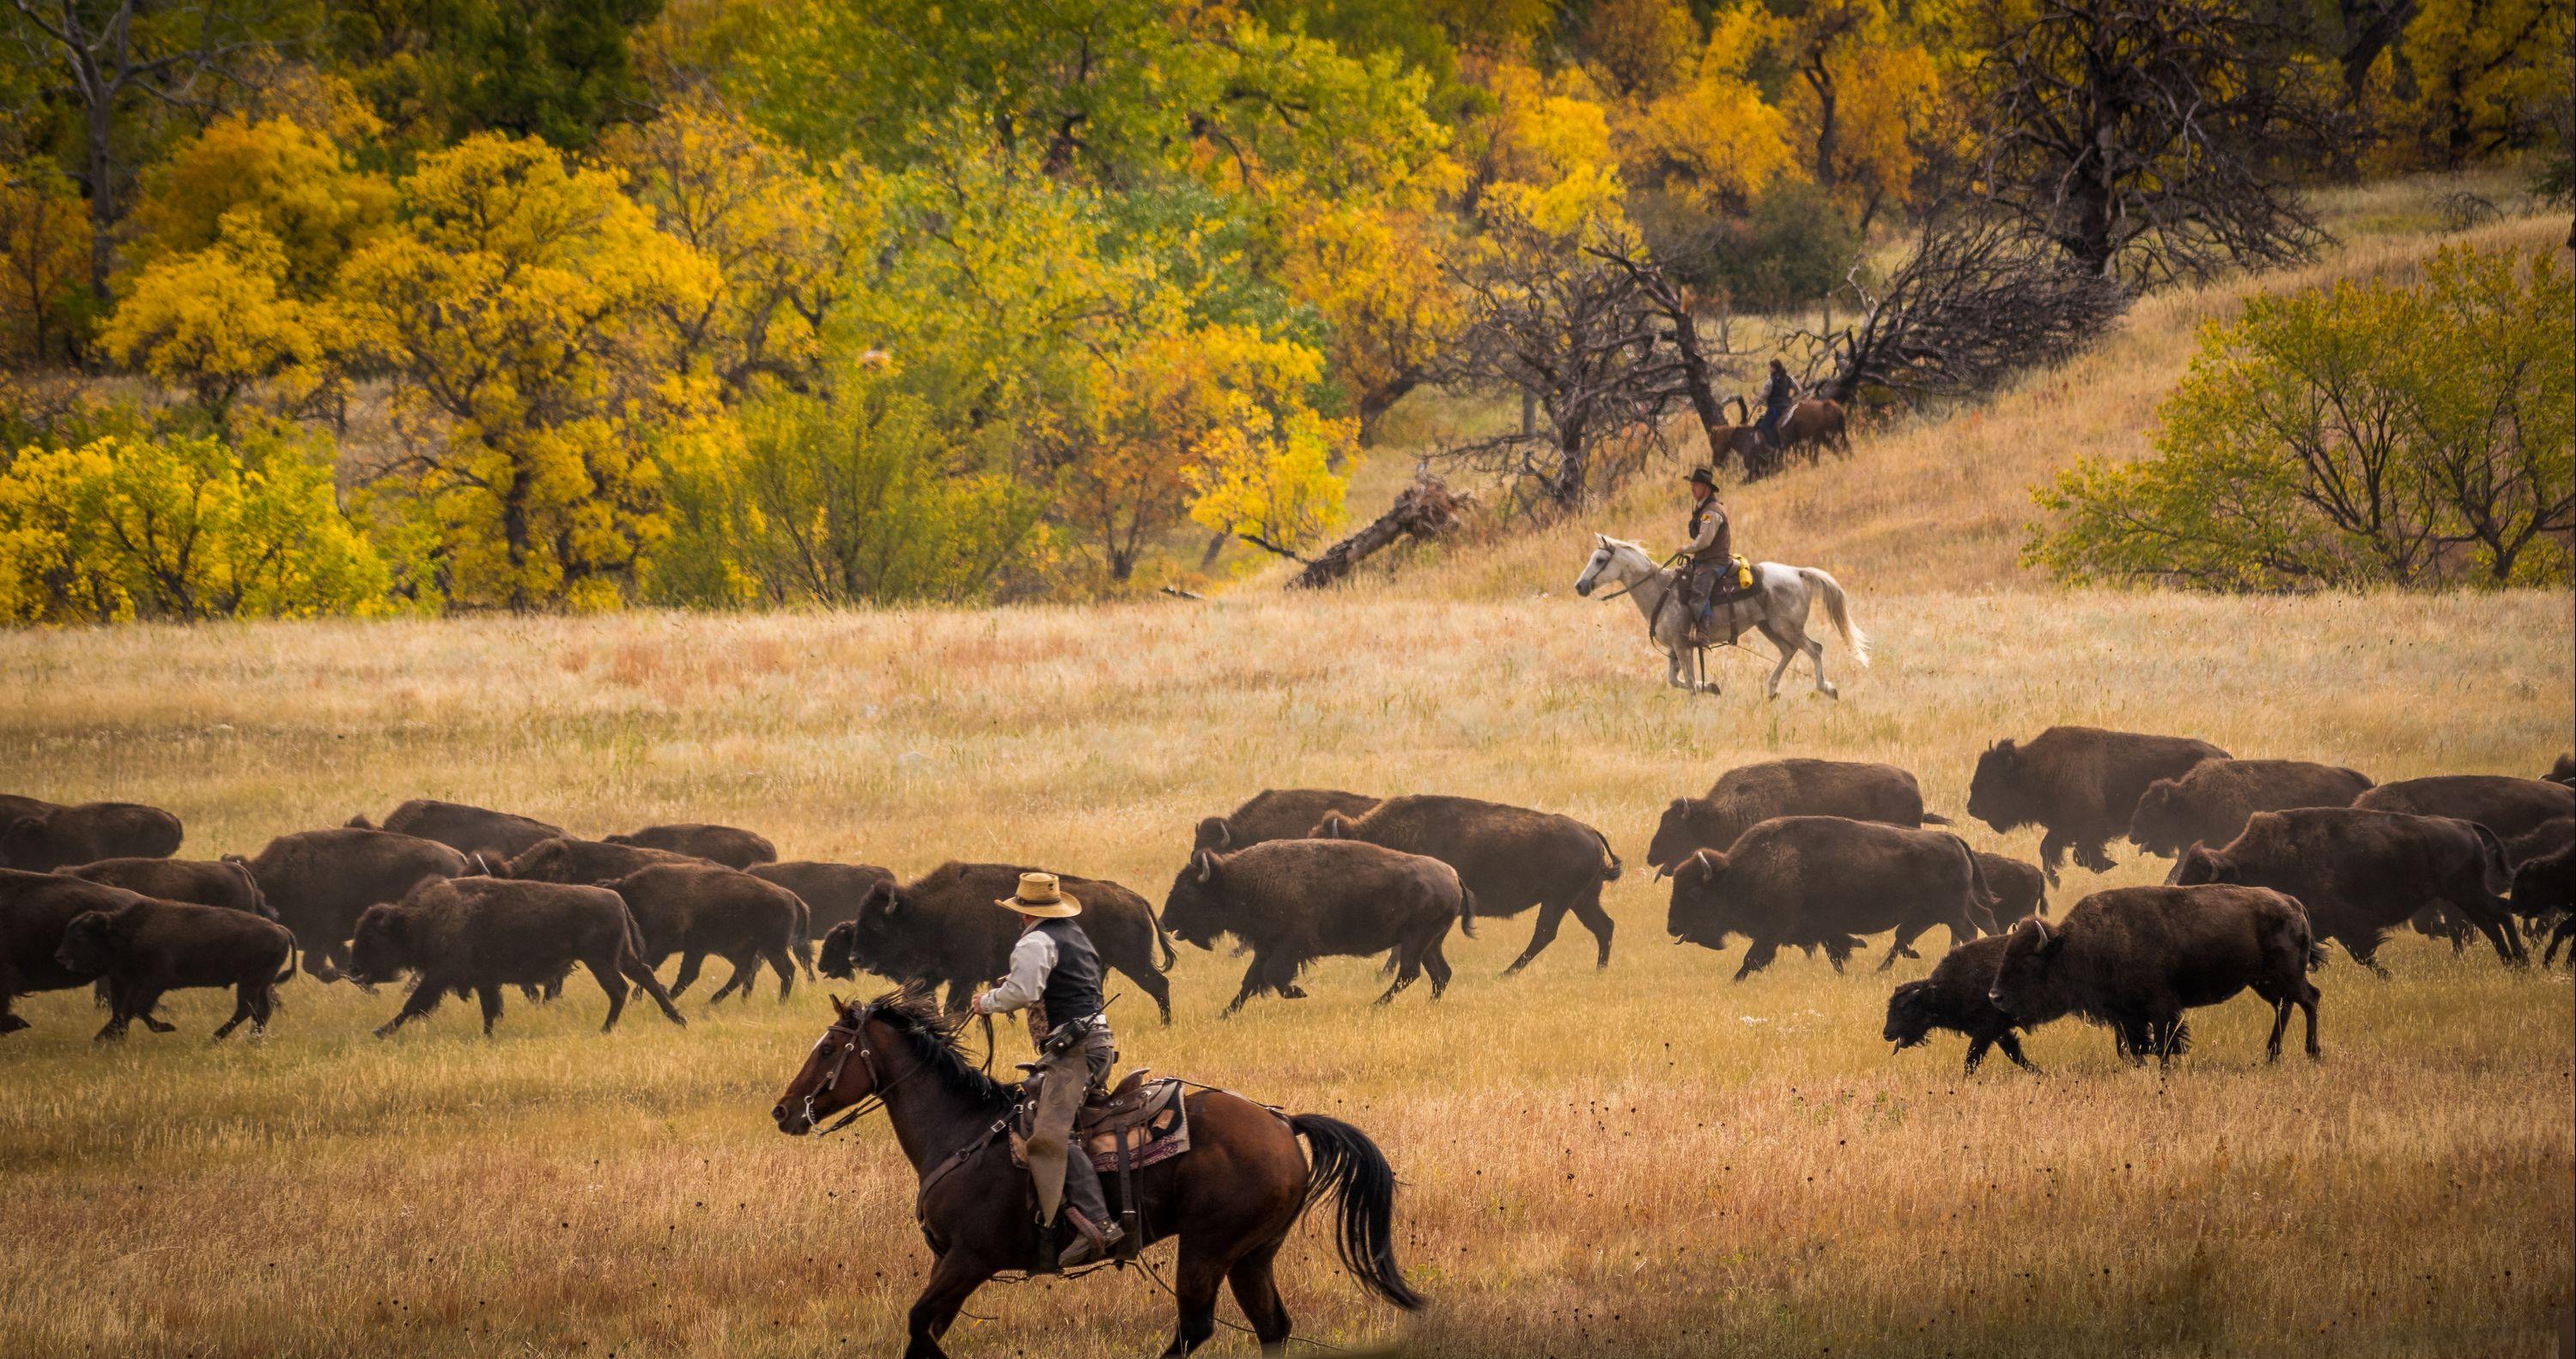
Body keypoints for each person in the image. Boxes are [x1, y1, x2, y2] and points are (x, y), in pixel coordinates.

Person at [969, 871, 1126, 1269]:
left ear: (1024, 913)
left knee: (1048, 1135)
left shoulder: (1036, 941)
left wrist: (986, 1002)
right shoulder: (1075, 935)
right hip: (1096, 1045)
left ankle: (1101, 1226)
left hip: (1075, 1053)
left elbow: (1022, 992)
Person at [1679, 465, 1734, 627]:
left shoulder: (1712, 511)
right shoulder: (1703, 509)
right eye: (1692, 484)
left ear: (1706, 488)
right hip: (1705, 561)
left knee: (1698, 591)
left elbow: (1704, 541)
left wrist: (1685, 549)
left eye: (1696, 485)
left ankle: (1703, 630)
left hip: (1715, 562)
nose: (1692, 488)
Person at [1753, 358, 1797, 452]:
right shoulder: (1789, 378)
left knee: (1764, 425)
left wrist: (1757, 403)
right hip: (1788, 407)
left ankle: (1775, 447)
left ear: (1774, 368)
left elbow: (1765, 394)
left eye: (1770, 367)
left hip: (1776, 408)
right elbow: (1798, 390)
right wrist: (1792, 399)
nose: (1769, 368)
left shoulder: (1771, 380)